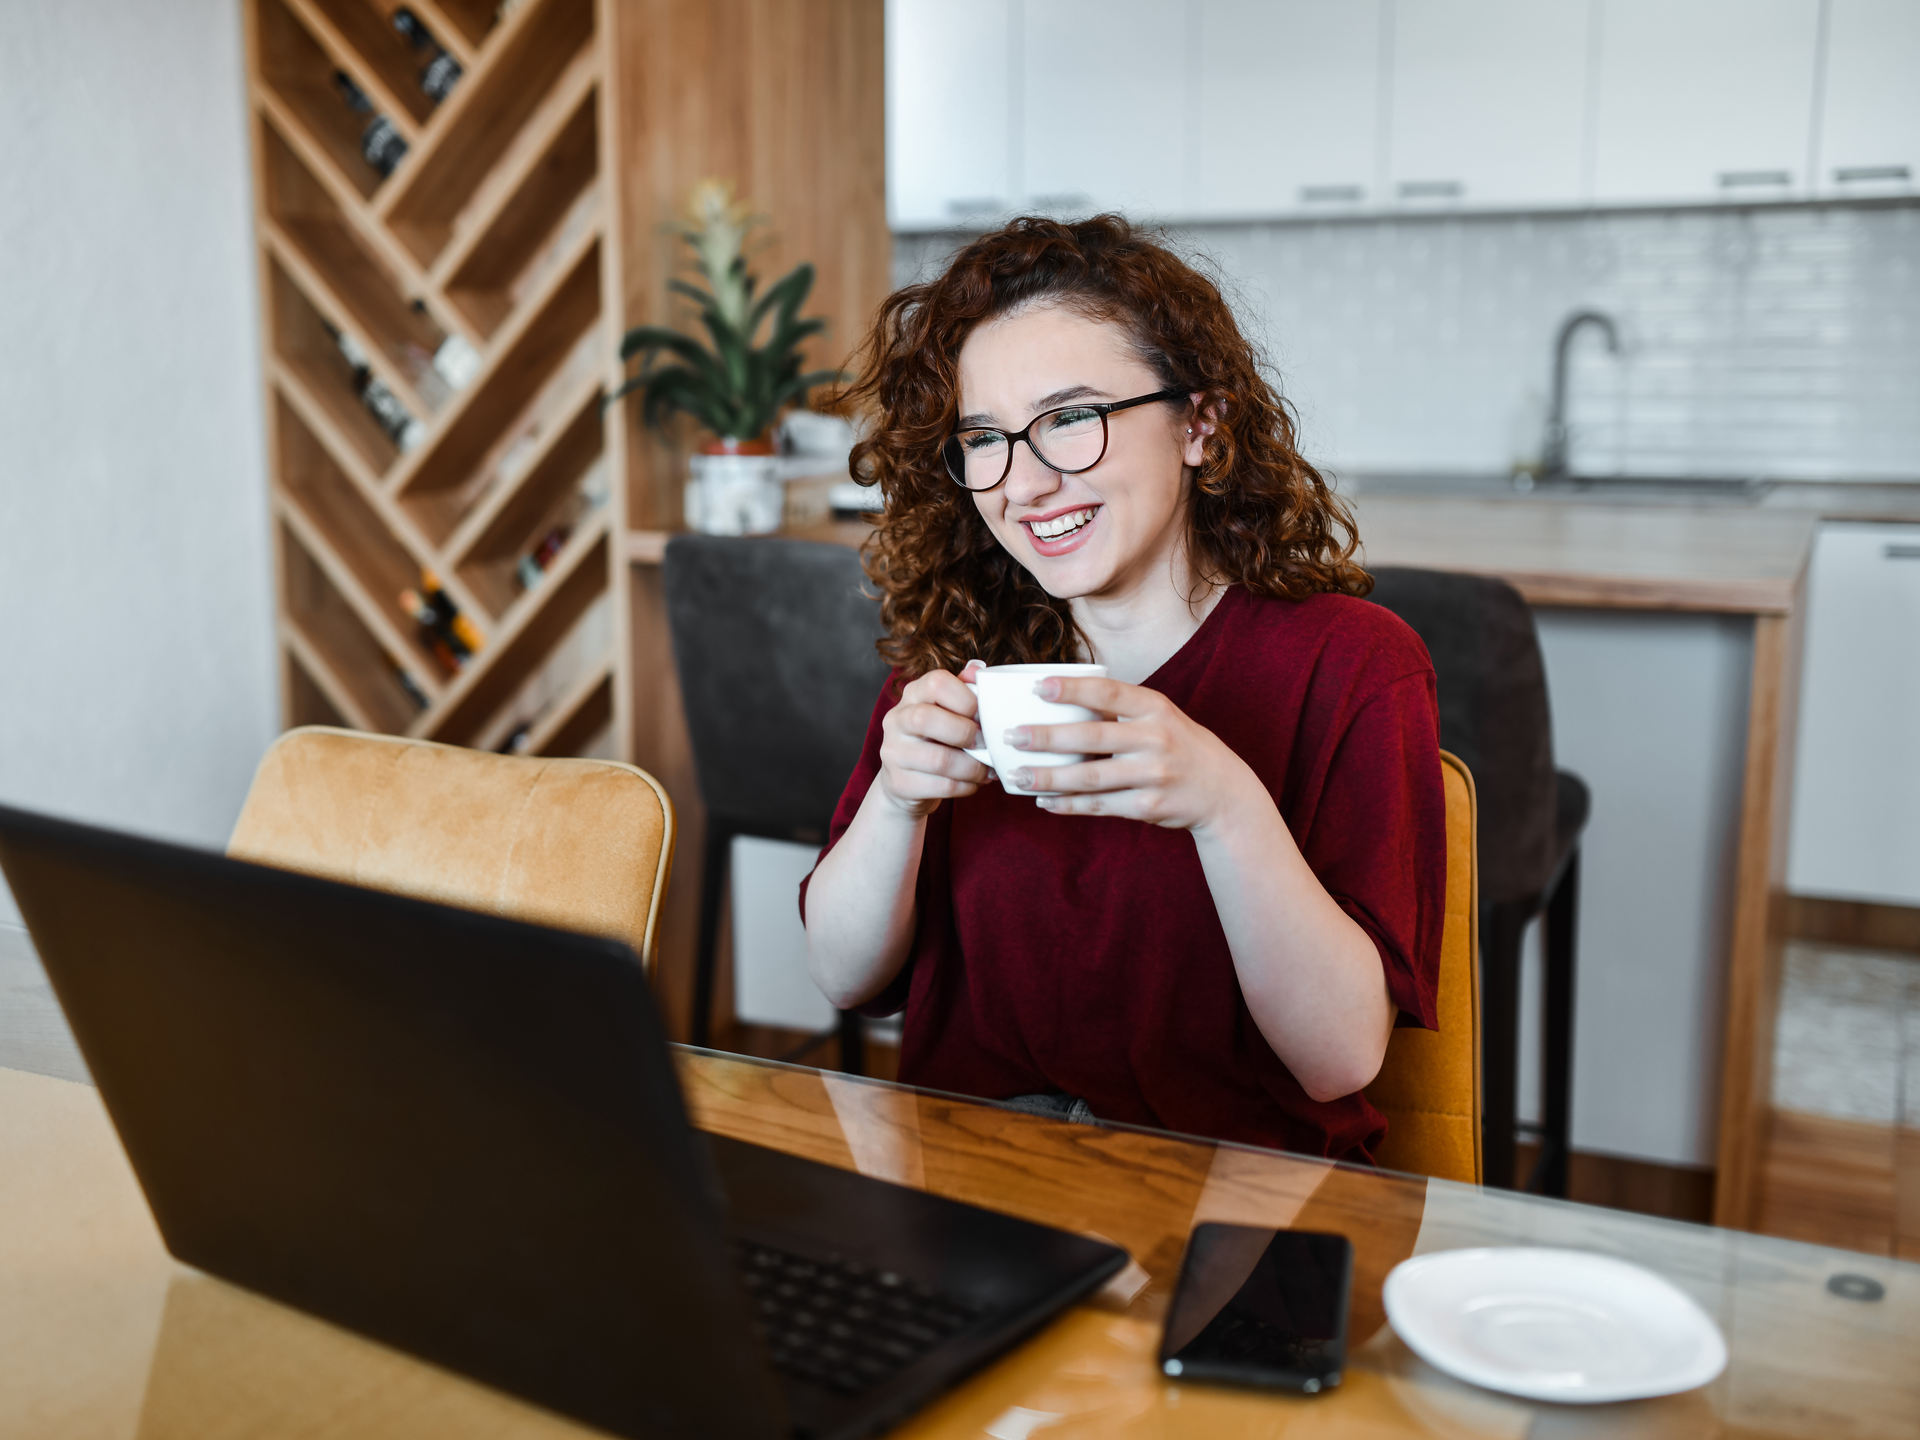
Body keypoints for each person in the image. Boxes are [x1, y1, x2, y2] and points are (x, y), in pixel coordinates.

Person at [801, 216, 1444, 1163]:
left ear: (1200, 424)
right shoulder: (961, 663)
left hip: (1234, 1187)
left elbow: (1338, 1060)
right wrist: (897, 804)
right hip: (974, 1177)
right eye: (986, 440)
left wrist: (1225, 807)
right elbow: (842, 976)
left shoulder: (1350, 663)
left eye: (1070, 419)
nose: (1024, 483)